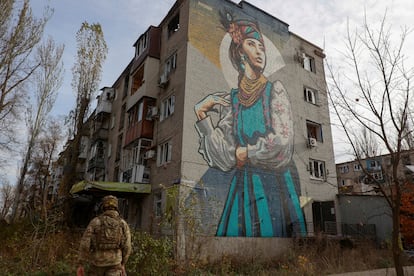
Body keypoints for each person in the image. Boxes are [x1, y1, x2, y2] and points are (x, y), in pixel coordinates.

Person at [194, 13, 306, 237]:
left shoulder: (275, 91)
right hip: (243, 186)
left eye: (262, 47)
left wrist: (248, 152)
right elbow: (224, 157)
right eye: (252, 44)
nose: (259, 51)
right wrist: (202, 115)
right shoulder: (233, 101)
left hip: (276, 184)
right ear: (239, 53)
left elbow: (283, 144)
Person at [77, 195, 131, 276]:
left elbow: (85, 244)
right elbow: (127, 246)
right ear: (116, 207)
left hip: (97, 263)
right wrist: (123, 263)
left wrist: (81, 263)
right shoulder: (123, 224)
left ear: (103, 207)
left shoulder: (95, 222)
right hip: (115, 263)